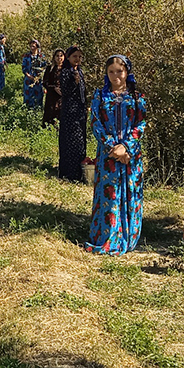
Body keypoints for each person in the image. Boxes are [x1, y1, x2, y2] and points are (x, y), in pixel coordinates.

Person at [86, 55, 148, 254]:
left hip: (131, 156)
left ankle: (128, 237)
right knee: (110, 195)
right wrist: (113, 147)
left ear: (127, 72)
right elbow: (96, 122)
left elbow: (141, 123)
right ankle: (109, 236)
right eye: (111, 71)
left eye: (119, 71)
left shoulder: (137, 97)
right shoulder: (100, 96)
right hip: (108, 155)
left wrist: (127, 147)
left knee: (130, 193)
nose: (115, 76)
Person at [57, 46, 87, 182]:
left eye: (80, 57)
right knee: (70, 140)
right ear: (68, 57)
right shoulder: (65, 72)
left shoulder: (79, 71)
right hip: (70, 112)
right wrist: (74, 82)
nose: (77, 59)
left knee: (80, 140)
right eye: (75, 56)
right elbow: (66, 91)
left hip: (80, 111)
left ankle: (80, 171)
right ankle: (69, 173)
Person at [42, 48, 64, 128]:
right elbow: (45, 82)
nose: (59, 58)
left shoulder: (66, 70)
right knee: (50, 112)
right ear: (54, 57)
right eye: (57, 56)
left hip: (62, 96)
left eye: (61, 56)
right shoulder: (50, 68)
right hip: (51, 96)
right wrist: (53, 88)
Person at [22, 39, 45, 109]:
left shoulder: (41, 56)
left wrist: (39, 76)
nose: (32, 48)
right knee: (28, 95)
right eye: (31, 46)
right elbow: (23, 67)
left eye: (34, 46)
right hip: (28, 79)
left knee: (38, 95)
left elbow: (44, 67)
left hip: (38, 79)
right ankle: (28, 109)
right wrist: (28, 75)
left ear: (37, 47)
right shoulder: (26, 56)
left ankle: (37, 110)